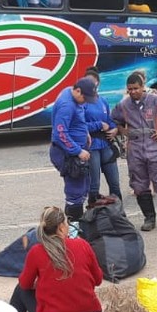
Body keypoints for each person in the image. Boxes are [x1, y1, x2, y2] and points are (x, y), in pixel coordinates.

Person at [10, 206, 104, 312]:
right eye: (67, 223)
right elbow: (98, 280)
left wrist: (39, 284)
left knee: (20, 289)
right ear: (61, 227)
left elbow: (24, 284)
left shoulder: (36, 251)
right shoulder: (82, 245)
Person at [111, 73, 157, 234]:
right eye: (130, 90)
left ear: (142, 87)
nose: (133, 92)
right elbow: (114, 120)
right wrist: (122, 131)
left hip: (154, 148)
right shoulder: (124, 105)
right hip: (135, 150)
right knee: (139, 186)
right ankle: (149, 218)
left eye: (136, 88)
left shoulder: (156, 101)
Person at [50, 78, 97, 222]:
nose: (86, 101)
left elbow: (76, 121)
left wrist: (85, 132)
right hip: (68, 154)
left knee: (83, 187)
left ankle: (75, 224)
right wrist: (78, 151)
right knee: (75, 191)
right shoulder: (67, 105)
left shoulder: (71, 94)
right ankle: (73, 229)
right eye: (85, 98)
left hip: (75, 149)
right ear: (77, 91)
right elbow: (60, 134)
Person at [80, 67, 122, 207]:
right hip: (92, 146)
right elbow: (80, 126)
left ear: (98, 83)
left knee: (114, 182)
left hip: (106, 144)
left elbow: (108, 120)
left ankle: (118, 213)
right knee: (94, 184)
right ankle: (93, 215)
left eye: (92, 82)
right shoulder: (81, 103)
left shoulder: (102, 101)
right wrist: (98, 125)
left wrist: (115, 128)